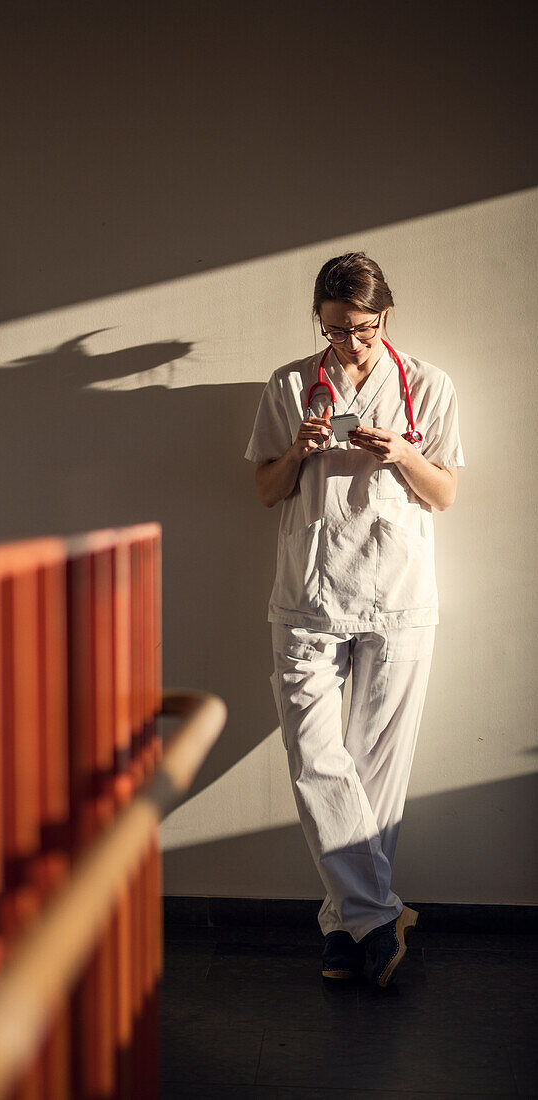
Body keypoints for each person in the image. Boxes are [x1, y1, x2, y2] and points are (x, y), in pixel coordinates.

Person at [245, 252, 464, 989]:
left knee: (376, 776)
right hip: (307, 595)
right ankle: (376, 916)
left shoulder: (427, 385)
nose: (354, 345)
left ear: (384, 316)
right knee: (314, 760)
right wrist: (299, 452)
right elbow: (265, 490)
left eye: (366, 330)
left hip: (398, 598)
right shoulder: (286, 384)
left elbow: (443, 494)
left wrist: (402, 451)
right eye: (338, 332)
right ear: (319, 318)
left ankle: (344, 929)